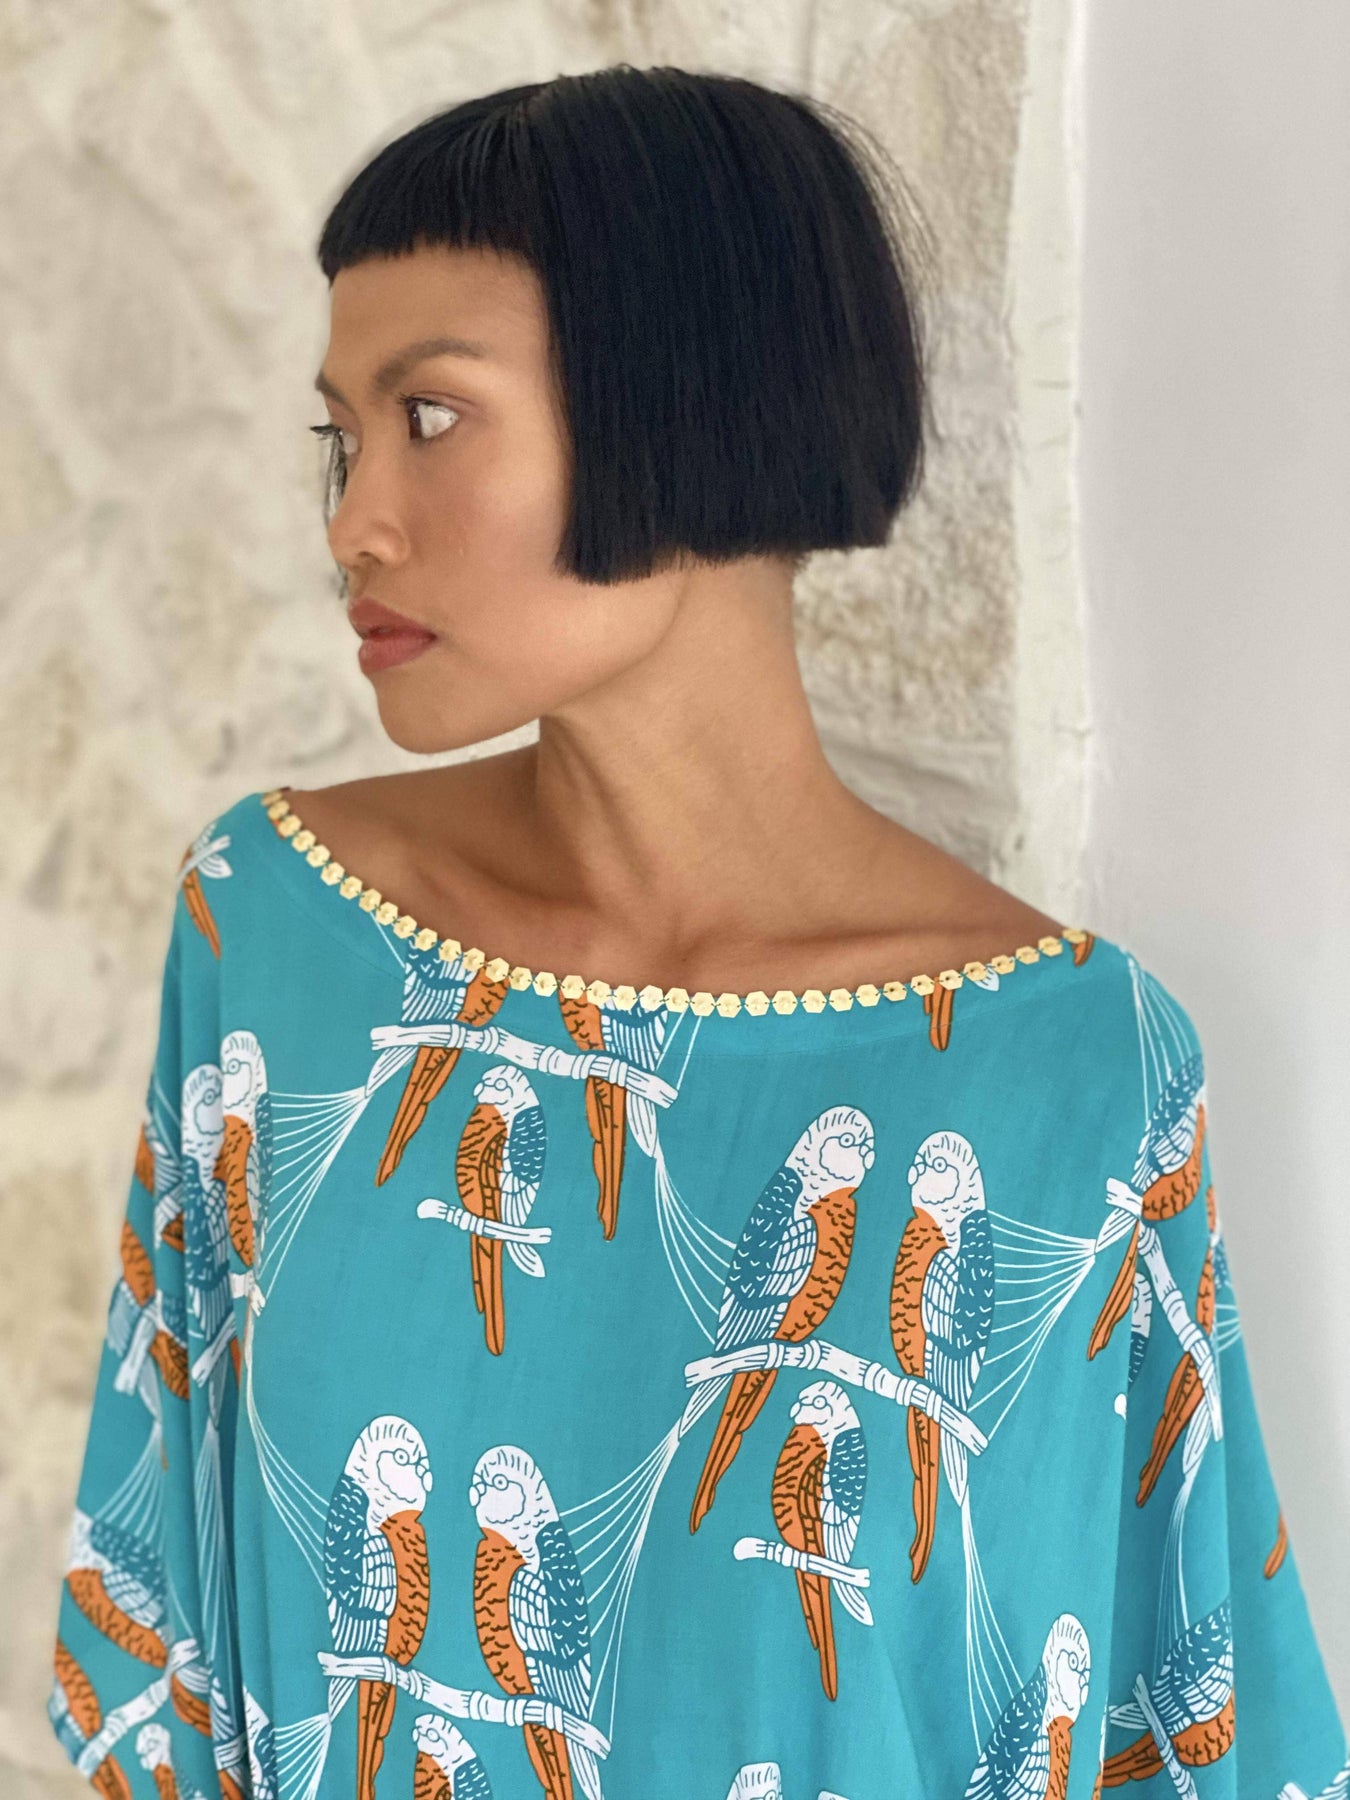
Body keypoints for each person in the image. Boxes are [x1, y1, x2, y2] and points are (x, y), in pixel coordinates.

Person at [48, 65, 1345, 1800]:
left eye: (430, 416)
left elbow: (1182, 1731)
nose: (354, 520)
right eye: (340, 437)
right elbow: (160, 1654)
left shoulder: (1068, 1072)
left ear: (689, 396)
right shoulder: (275, 934)